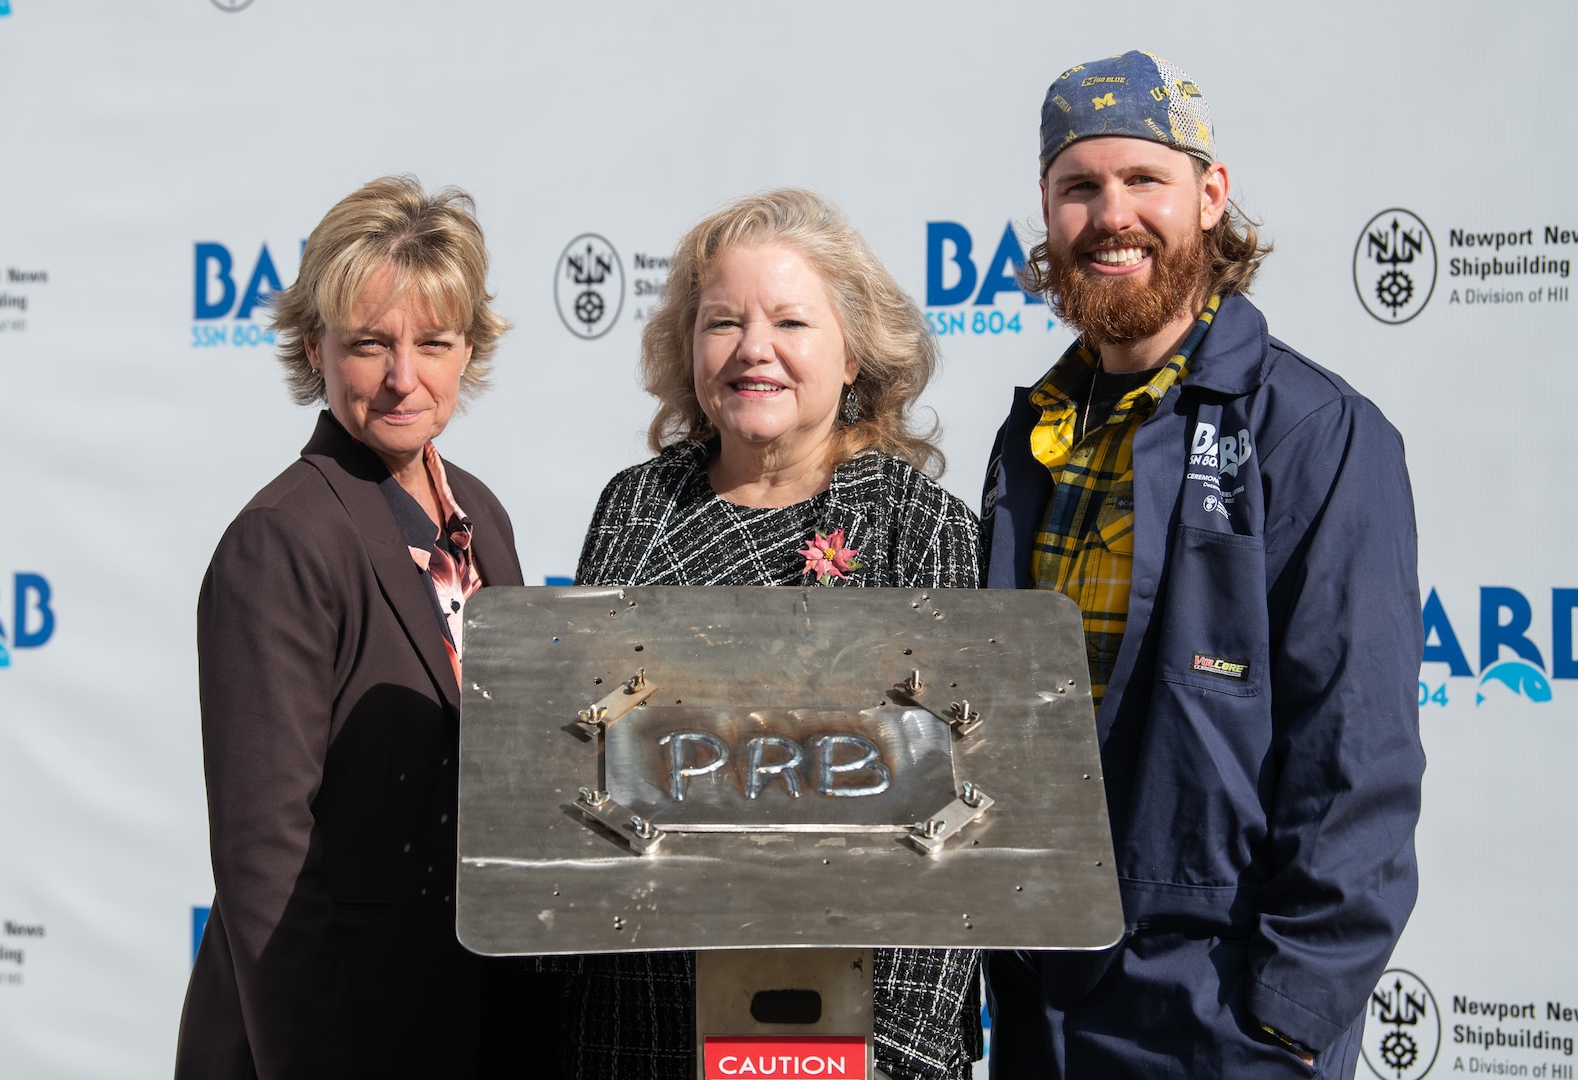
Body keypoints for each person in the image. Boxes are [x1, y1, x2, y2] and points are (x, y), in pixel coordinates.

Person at [980, 52, 1424, 1078]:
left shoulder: (1316, 433)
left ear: (1210, 197)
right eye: (1078, 187)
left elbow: (1357, 754)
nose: (1111, 215)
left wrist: (1289, 1011)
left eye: (1144, 181)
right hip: (1045, 1001)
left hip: (1221, 1019)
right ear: (1047, 213)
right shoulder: (1031, 438)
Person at [560, 188, 983, 1080]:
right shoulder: (633, 511)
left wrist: (895, 1056)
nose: (754, 349)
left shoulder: (922, 528)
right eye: (722, 323)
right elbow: (581, 772)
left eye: (791, 320)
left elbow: (953, 832)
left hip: (853, 1025)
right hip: (645, 1021)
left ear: (853, 348)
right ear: (688, 349)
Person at [175, 176, 548, 1079]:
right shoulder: (281, 542)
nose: (403, 377)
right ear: (316, 348)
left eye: (434, 343)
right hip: (334, 1035)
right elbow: (267, 860)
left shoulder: (483, 517)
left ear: (469, 352)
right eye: (370, 344)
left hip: (469, 1020)